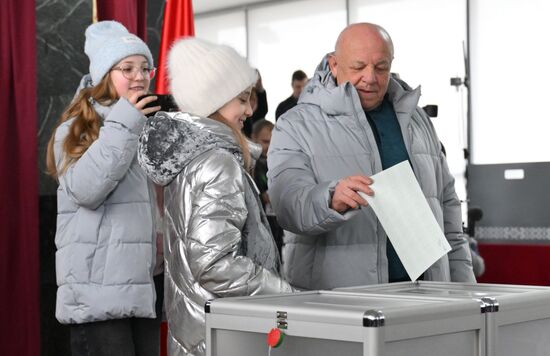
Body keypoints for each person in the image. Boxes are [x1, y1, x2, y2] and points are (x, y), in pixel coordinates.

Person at [268, 22, 476, 290]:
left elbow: (447, 206)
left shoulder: (417, 120)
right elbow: (287, 205)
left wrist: (464, 290)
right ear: (333, 64)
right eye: (358, 67)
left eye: (381, 67)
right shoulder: (295, 125)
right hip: (340, 301)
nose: (370, 78)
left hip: (426, 294)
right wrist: (329, 199)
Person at [137, 38, 293, 356]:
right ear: (215, 100)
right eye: (242, 100)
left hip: (200, 334)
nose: (249, 111)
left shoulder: (190, 159)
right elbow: (214, 264)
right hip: (224, 338)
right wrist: (287, 294)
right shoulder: (217, 162)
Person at [45, 21, 162, 356]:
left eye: (145, 68)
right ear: (103, 76)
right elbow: (86, 190)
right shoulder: (74, 130)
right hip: (98, 296)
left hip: (144, 287)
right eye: (127, 68)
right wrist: (125, 121)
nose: (139, 77)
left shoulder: (143, 128)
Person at [251, 119, 284, 255]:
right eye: (265, 142)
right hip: (258, 224)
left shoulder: (278, 162)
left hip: (275, 221)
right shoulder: (251, 164)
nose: (269, 146)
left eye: (272, 142)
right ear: (254, 138)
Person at [242, 69, 268, 137]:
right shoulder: (242, 117)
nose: (253, 102)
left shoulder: (259, 114)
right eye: (250, 99)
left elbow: (263, 107)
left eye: (254, 99)